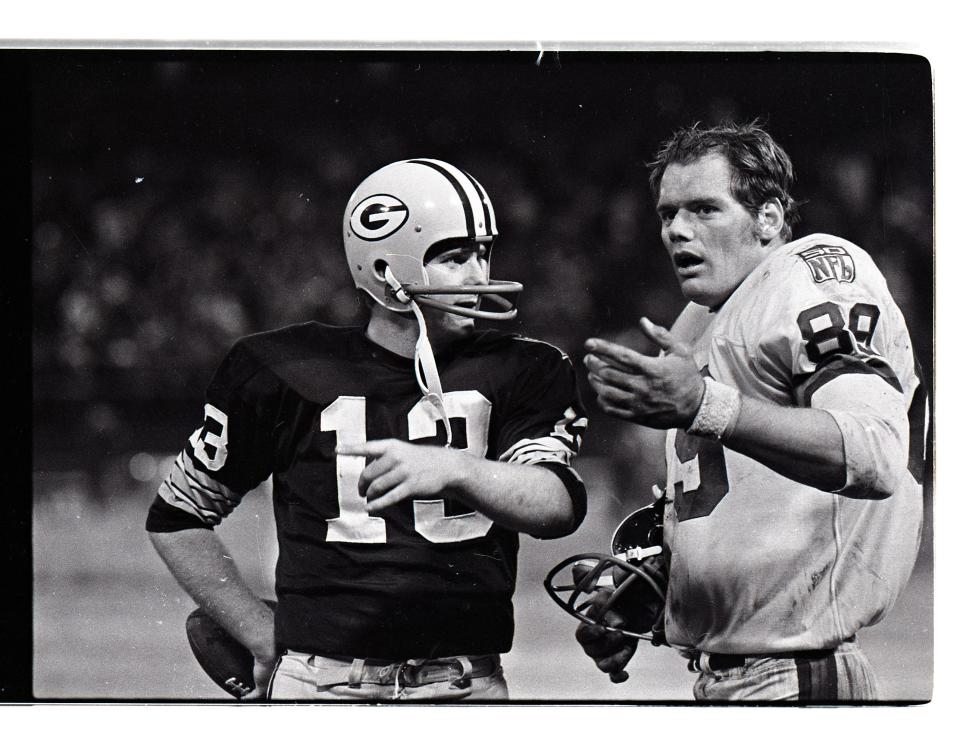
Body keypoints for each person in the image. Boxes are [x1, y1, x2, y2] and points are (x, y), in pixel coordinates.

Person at [146, 158, 588, 701]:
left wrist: (455, 468)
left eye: (483, 253)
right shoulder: (283, 367)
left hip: (463, 683)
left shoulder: (526, 369)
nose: (480, 276)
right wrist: (260, 636)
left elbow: (555, 506)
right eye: (454, 258)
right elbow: (178, 515)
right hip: (317, 681)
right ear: (386, 272)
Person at [575, 121, 925, 702]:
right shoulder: (701, 317)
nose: (678, 231)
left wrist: (703, 403)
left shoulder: (813, 274)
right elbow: (739, 504)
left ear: (767, 218)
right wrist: (654, 591)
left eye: (704, 210)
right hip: (730, 676)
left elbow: (874, 451)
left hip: (796, 675)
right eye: (667, 214)